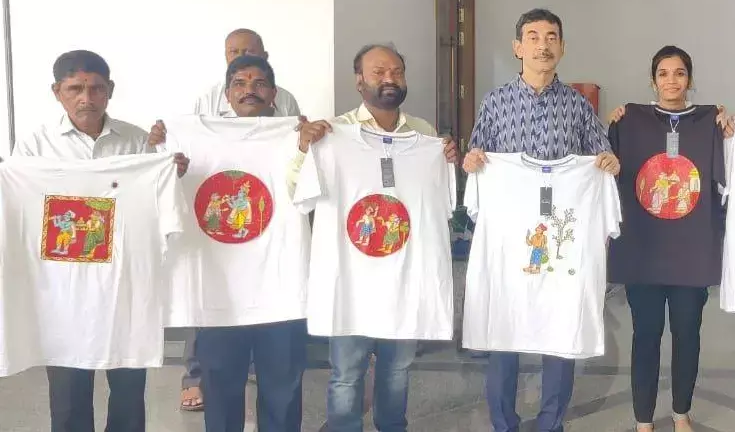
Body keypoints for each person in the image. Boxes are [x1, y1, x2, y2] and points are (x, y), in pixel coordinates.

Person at [463, 8, 619, 432]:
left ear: (563, 47)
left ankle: (552, 421)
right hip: (512, 238)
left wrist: (607, 160)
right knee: (504, 329)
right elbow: (477, 156)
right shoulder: (495, 102)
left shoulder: (577, 105)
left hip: (560, 239)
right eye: (533, 37)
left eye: (551, 37)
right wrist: (473, 159)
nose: (543, 45)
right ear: (518, 47)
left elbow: (600, 153)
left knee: (561, 328)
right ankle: (504, 423)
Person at [12, 50, 186, 432]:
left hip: (125, 286)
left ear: (110, 91)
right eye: (75, 88)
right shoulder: (33, 149)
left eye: (95, 88)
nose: (85, 98)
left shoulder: (139, 143)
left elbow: (159, 206)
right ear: (57, 92)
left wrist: (171, 173)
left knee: (128, 390)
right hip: (63, 292)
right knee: (69, 394)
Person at [294, 43, 457, 432]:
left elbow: (442, 203)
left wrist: (446, 158)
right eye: (379, 71)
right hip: (351, 282)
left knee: (397, 370)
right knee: (346, 374)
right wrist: (305, 150)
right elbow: (297, 193)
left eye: (397, 71)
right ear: (359, 80)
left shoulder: (425, 136)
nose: (389, 78)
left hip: (405, 282)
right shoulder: (333, 135)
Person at [606, 46, 730, 432]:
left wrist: (728, 127)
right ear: (653, 80)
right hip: (644, 250)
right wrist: (614, 125)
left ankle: (681, 412)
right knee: (645, 334)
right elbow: (608, 175)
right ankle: (643, 418)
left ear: (690, 80)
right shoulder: (629, 121)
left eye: (679, 73)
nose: (671, 81)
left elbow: (726, 181)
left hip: (690, 252)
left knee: (687, 333)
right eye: (663, 73)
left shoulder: (711, 123)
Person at [182, 27, 300, 412]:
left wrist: (310, 144)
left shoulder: (297, 134)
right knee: (220, 386)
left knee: (282, 389)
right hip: (221, 287)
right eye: (239, 83)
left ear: (274, 94)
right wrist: (165, 157)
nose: (249, 90)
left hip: (280, 286)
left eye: (260, 83)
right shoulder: (196, 130)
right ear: (227, 93)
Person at [192, 28, 300, 117]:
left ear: (265, 57)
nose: (240, 57)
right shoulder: (208, 99)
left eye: (249, 52)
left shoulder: (286, 100)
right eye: (234, 52)